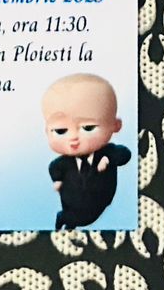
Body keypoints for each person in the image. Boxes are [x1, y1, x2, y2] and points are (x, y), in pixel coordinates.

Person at [42, 73, 130, 229]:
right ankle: (64, 221)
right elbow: (54, 167)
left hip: (98, 203)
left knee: (86, 218)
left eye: (88, 128)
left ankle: (67, 221)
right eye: (61, 131)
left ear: (115, 125)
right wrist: (57, 180)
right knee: (71, 220)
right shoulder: (64, 162)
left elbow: (124, 154)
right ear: (47, 131)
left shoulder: (108, 152)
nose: (73, 138)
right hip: (71, 204)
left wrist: (108, 159)